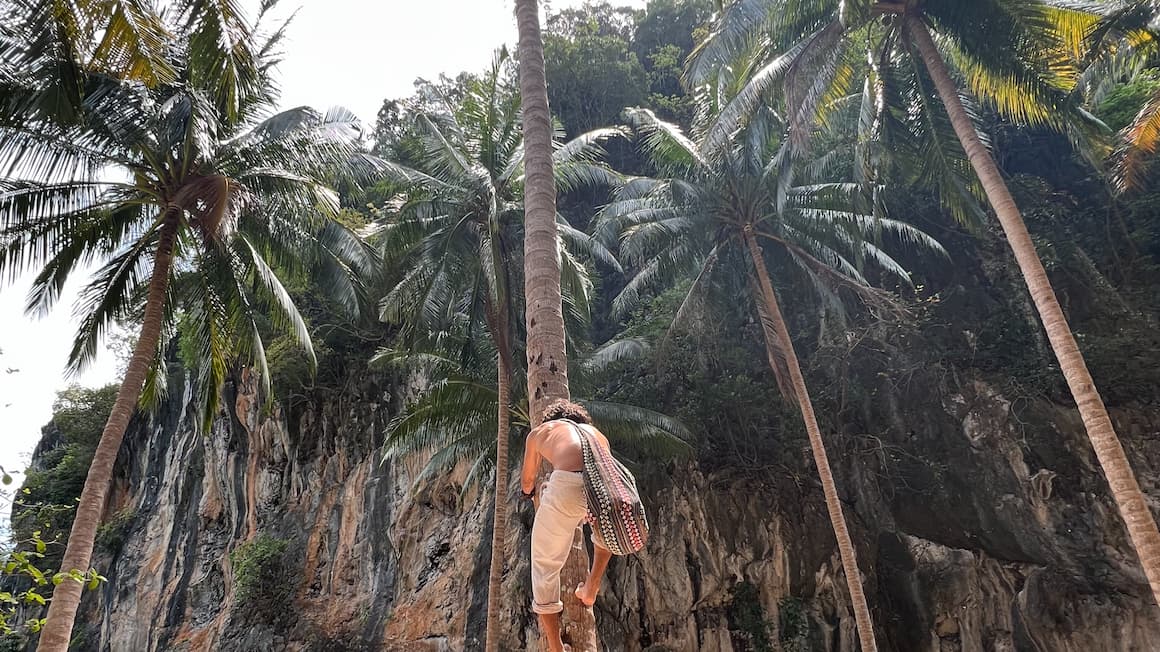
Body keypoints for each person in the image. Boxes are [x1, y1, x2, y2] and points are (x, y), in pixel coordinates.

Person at [521, 399, 613, 652]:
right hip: (604, 486)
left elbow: (528, 481)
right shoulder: (598, 436)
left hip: (567, 489)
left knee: (544, 565)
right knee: (604, 531)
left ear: (551, 419)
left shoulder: (542, 431)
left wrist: (529, 492)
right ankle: (591, 586)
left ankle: (555, 647)